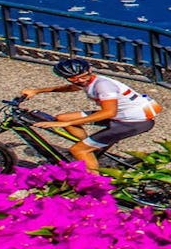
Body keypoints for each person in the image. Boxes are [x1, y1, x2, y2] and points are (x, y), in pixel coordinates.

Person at [21, 58, 162, 171]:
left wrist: (67, 124)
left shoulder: (103, 86)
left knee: (77, 150)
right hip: (123, 115)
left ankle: (95, 183)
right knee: (62, 117)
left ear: (89, 70)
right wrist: (37, 91)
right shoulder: (88, 80)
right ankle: (91, 147)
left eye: (83, 76)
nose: (81, 80)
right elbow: (71, 88)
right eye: (74, 78)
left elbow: (108, 112)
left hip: (133, 122)